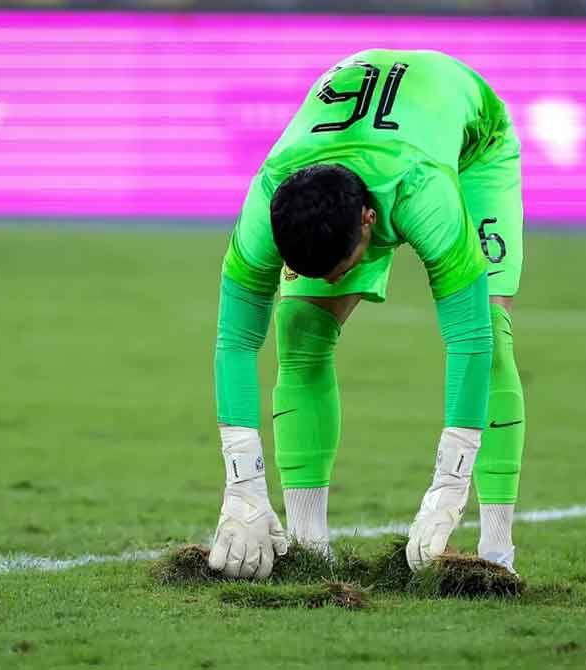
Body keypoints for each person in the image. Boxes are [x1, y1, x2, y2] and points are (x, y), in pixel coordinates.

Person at [208, 49, 526, 579]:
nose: (332, 283)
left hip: (474, 149)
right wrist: (242, 484)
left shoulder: (425, 194)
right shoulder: (266, 202)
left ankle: (496, 555)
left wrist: (448, 486)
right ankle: (310, 551)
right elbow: (235, 342)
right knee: (299, 327)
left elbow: (469, 340)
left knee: (492, 331)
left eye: (340, 268)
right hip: (360, 149)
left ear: (368, 221)